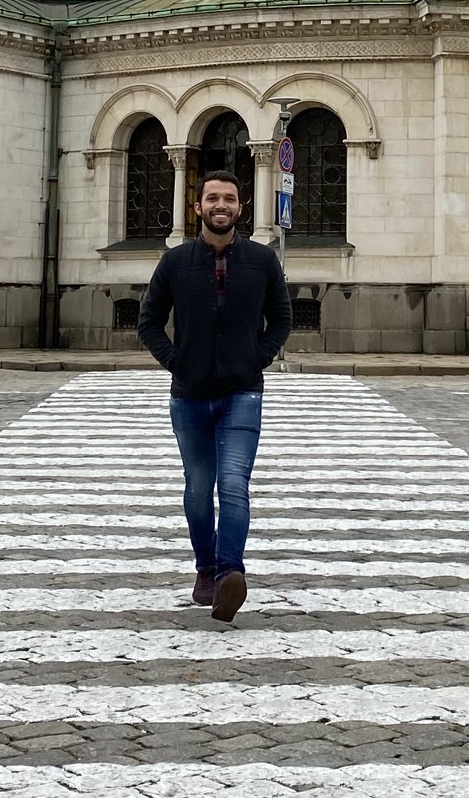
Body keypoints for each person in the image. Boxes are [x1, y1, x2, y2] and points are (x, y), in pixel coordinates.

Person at [137, 168, 291, 623]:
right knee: (199, 488)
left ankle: (229, 575)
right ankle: (206, 568)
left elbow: (281, 320)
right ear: (198, 206)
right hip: (189, 396)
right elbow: (148, 322)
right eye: (212, 198)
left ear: (240, 207)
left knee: (235, 485)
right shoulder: (175, 262)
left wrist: (253, 360)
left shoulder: (262, 262)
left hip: (241, 393)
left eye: (229, 198)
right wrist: (178, 361)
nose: (220, 205)